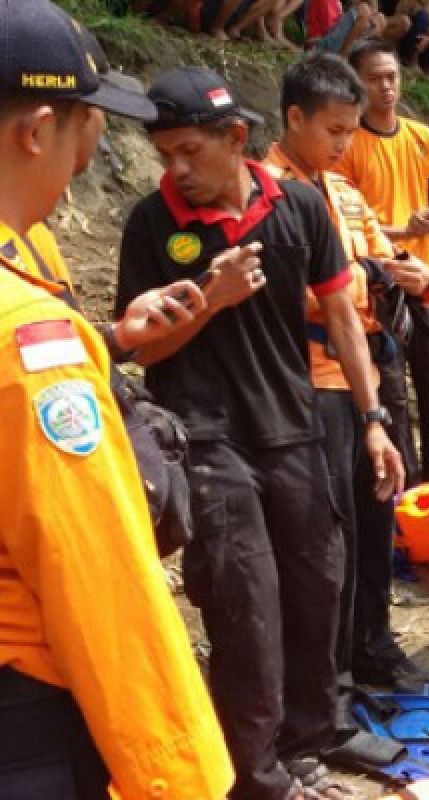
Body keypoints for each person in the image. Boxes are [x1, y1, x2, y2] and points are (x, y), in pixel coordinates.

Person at [116, 65, 404, 800]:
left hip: (292, 429)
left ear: (236, 139)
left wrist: (373, 421)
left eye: (189, 152)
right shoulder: (152, 225)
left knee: (317, 588)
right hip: (203, 438)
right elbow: (140, 348)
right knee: (246, 604)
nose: (177, 169)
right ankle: (257, 774)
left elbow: (343, 316)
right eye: (166, 155)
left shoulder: (300, 208)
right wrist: (210, 300)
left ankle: (306, 745)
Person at [0, 2, 233, 797]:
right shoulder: (30, 342)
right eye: (83, 123)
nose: (89, 148)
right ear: (36, 131)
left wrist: (110, 339)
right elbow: (97, 580)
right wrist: (182, 779)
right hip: (24, 703)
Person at [264, 51, 429, 694]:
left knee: (374, 516)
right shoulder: (267, 192)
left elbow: (386, 254)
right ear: (294, 117)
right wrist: (368, 274)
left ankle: (371, 640)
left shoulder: (342, 190)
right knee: (326, 535)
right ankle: (326, 671)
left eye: (350, 132)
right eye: (334, 131)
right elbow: (291, 291)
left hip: (365, 371)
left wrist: (405, 270)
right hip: (309, 380)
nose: (344, 144)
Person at [341, 38, 429, 488]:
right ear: (358, 84)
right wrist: (400, 231)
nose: (386, 87)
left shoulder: (420, 135)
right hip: (381, 277)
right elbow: (346, 220)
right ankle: (406, 484)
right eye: (375, 79)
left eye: (392, 76)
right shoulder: (348, 144)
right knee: (392, 386)